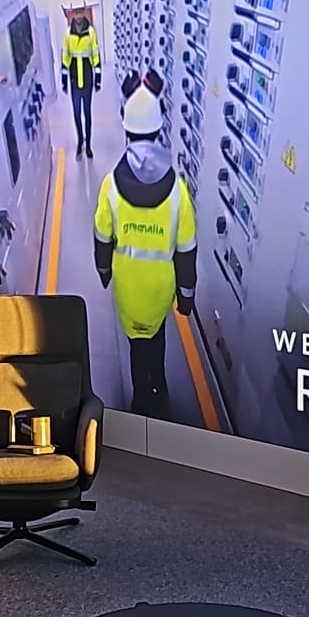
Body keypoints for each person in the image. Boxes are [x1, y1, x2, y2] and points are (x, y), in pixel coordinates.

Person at [94, 82, 196, 419]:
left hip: (129, 289)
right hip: (160, 290)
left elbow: (102, 235)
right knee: (158, 334)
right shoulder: (178, 189)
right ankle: (160, 386)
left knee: (137, 346)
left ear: (126, 129)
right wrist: (186, 296)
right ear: (158, 129)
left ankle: (142, 402)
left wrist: (104, 271)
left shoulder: (110, 185)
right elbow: (187, 249)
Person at [61, 13, 101, 158]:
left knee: (87, 113)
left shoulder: (91, 32)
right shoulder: (68, 34)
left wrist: (98, 79)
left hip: (87, 77)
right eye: (76, 12)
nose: (78, 15)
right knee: (77, 113)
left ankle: (88, 145)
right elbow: (65, 58)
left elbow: (96, 55)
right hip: (74, 80)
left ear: (83, 12)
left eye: (80, 12)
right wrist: (64, 82)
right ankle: (80, 141)